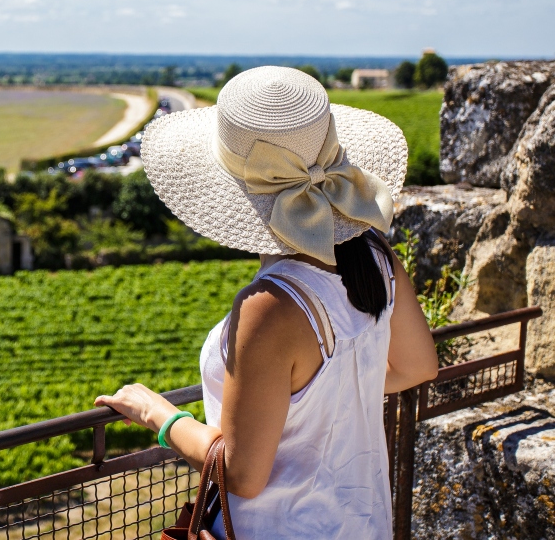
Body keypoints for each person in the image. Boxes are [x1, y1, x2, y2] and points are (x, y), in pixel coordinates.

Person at [95, 66, 438, 539]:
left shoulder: (271, 307)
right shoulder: (377, 259)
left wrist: (159, 415)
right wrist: (322, 399)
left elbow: (242, 476)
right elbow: (419, 366)